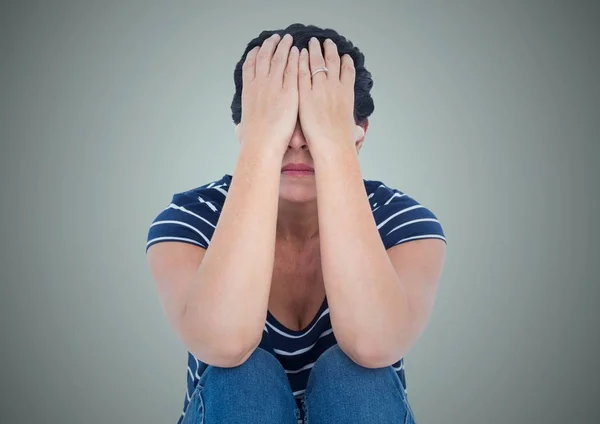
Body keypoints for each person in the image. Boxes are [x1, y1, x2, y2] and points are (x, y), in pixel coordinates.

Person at [145, 23, 447, 424]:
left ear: (360, 135)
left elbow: (374, 345)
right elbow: (224, 344)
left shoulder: (405, 222)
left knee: (356, 378)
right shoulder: (189, 218)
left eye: (316, 120)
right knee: (245, 378)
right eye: (283, 120)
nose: (298, 141)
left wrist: (334, 145)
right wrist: (262, 143)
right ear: (245, 130)